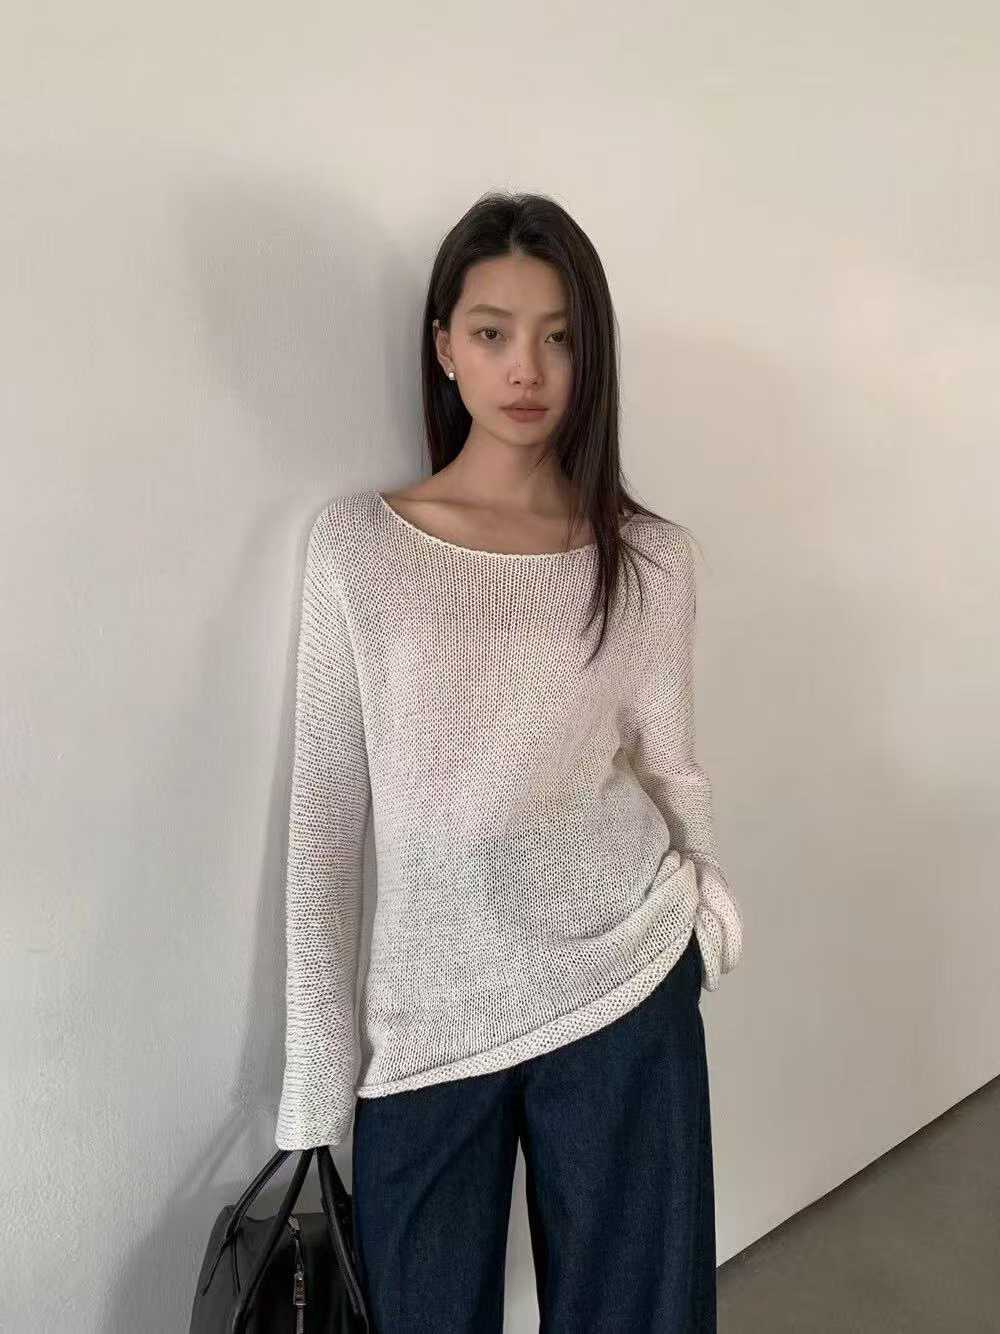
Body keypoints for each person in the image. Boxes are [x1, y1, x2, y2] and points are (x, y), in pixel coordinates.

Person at [275, 191, 743, 1332]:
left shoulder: (650, 559)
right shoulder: (357, 547)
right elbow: (327, 824)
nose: (526, 367)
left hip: (621, 983)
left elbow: (672, 769)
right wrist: (315, 1088)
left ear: (592, 355)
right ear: (444, 347)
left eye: (559, 336)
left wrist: (707, 919)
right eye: (492, 332)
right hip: (427, 1026)